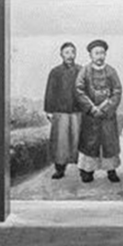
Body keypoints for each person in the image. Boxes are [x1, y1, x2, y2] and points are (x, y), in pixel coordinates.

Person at [75, 39, 123, 183]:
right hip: (90, 116)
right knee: (90, 143)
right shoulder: (84, 71)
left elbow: (117, 91)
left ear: (105, 54)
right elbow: (79, 90)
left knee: (109, 143)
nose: (100, 56)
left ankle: (111, 170)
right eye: (96, 53)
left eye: (102, 53)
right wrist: (91, 108)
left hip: (107, 116)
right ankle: (87, 170)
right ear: (91, 55)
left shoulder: (111, 71)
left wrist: (106, 108)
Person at [43, 42, 82, 179]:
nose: (70, 55)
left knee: (79, 140)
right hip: (60, 112)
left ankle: (84, 169)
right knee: (60, 142)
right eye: (67, 52)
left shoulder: (81, 71)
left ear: (75, 54)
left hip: (78, 112)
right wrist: (49, 110)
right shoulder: (55, 72)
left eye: (72, 52)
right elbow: (50, 92)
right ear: (61, 54)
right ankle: (60, 169)